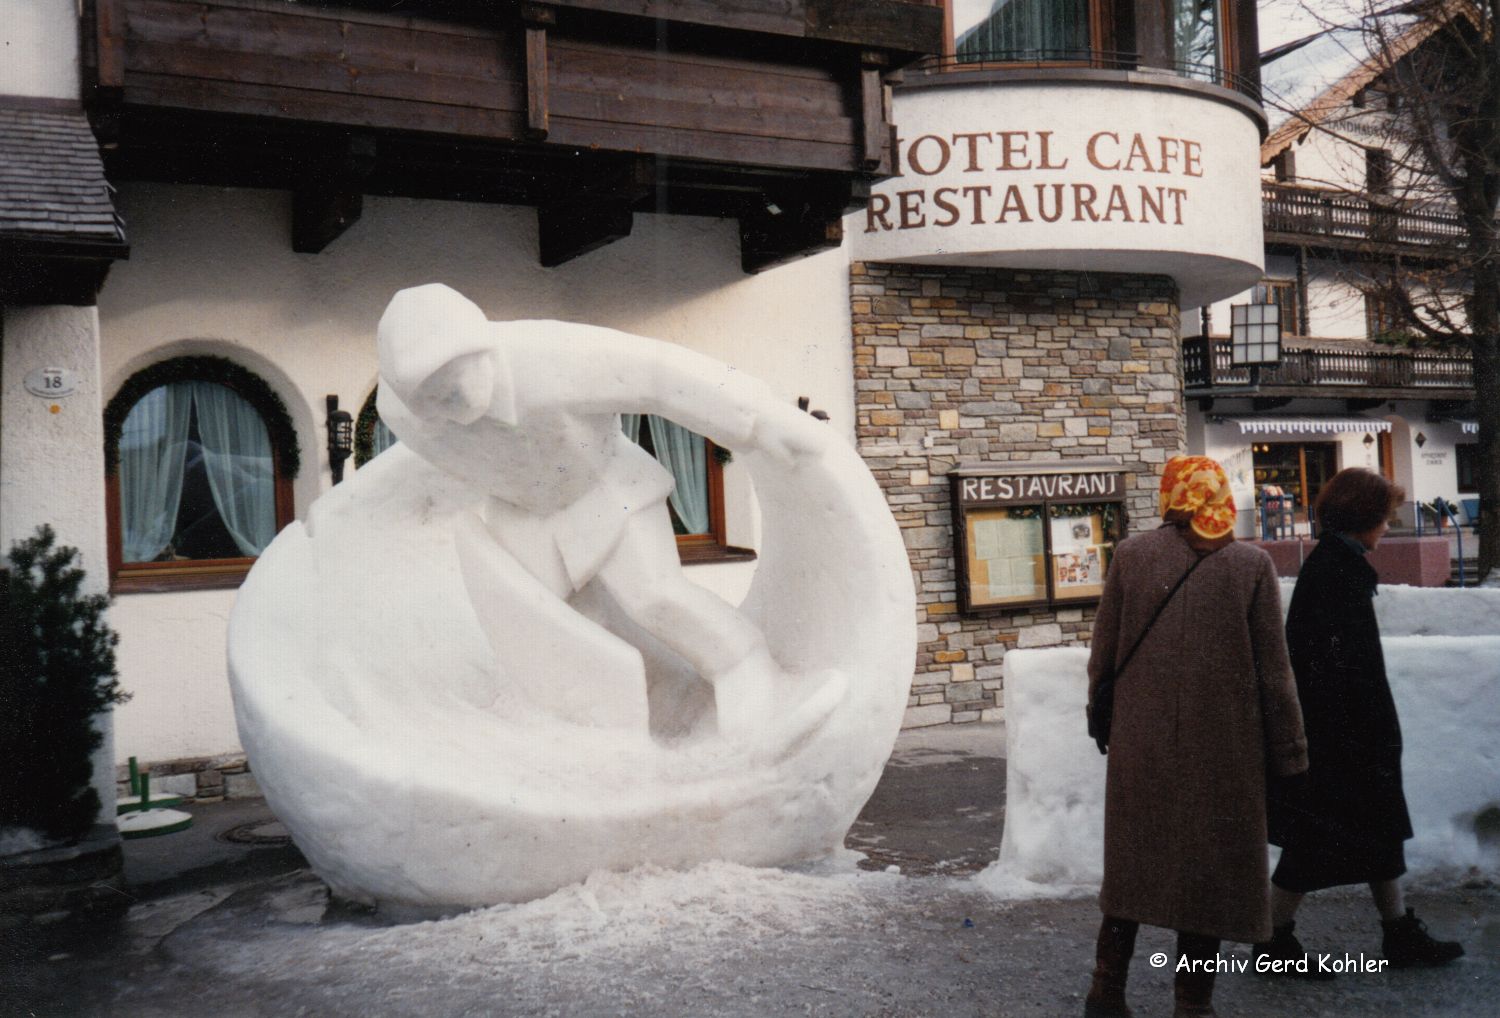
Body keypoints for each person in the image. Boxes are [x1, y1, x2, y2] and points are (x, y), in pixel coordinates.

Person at [1085, 456, 1309, 1018]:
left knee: (1132, 874)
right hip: (1225, 752)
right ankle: (1192, 1004)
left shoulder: (1132, 556)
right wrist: (1290, 751)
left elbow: (1104, 653)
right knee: (1206, 882)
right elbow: (1273, 673)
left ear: (1171, 495)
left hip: (1142, 744)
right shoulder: (1250, 565)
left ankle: (1107, 991)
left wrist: (1102, 715)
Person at [1258, 468, 1464, 974]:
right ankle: (1273, 939)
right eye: (1384, 518)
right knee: (1322, 843)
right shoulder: (1338, 574)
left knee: (1374, 835)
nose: (1389, 527)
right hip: (1344, 740)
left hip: (1345, 736)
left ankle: (1392, 932)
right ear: (1363, 519)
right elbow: (1334, 668)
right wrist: (1368, 735)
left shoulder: (1336, 566)